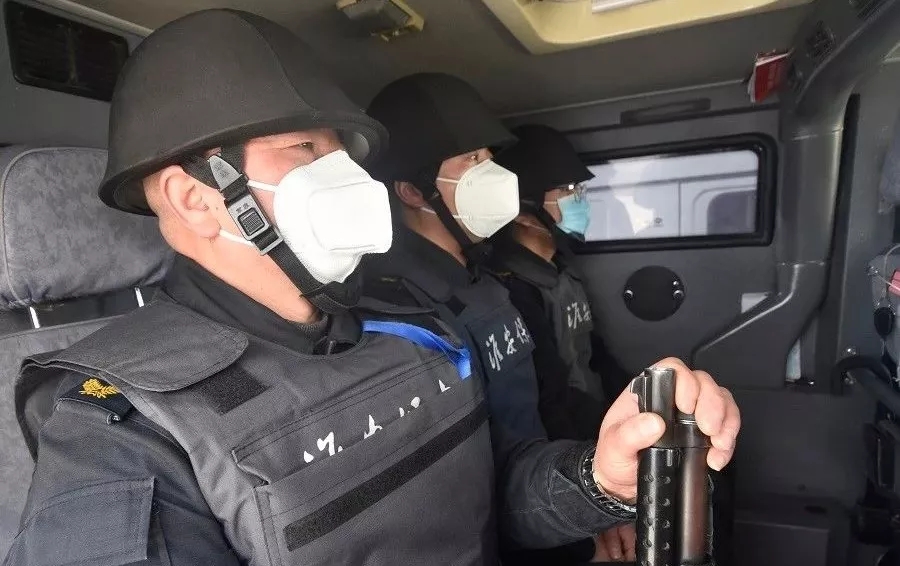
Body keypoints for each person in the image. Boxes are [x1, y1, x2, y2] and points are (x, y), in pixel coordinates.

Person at [5, 15, 740, 566]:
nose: (347, 177)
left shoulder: (416, 323)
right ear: (197, 199)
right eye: (305, 148)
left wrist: (599, 478)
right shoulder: (119, 428)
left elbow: (495, 491)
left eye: (342, 151)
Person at [362, 73, 738, 564]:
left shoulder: (486, 284)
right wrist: (593, 508)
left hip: (546, 489)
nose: (493, 172)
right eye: (472, 160)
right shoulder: (397, 315)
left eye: (489, 157)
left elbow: (550, 395)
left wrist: (598, 490)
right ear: (413, 192)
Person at [490, 123, 622, 443]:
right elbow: (551, 397)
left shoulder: (563, 271)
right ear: (522, 212)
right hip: (574, 435)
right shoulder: (516, 290)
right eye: (565, 190)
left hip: (599, 414)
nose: (578, 199)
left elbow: (594, 355)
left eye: (578, 189)